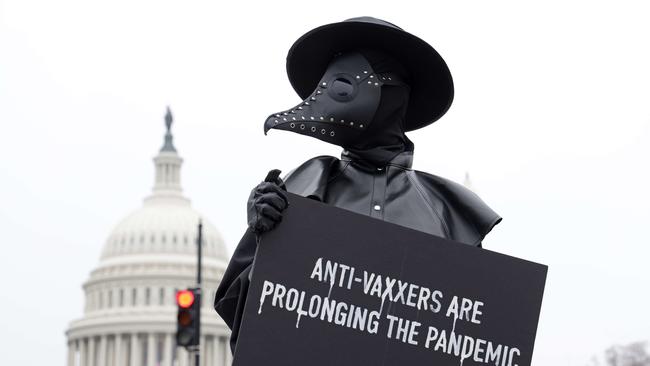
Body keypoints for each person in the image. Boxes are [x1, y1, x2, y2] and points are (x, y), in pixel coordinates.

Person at [214, 16, 502, 353]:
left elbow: (475, 333)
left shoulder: (448, 212)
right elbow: (248, 316)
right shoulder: (304, 189)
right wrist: (264, 241)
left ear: (396, 96)